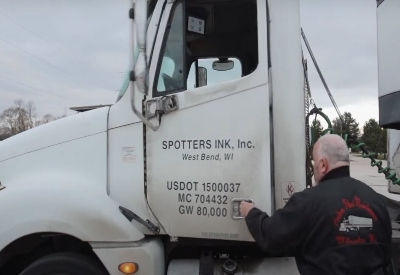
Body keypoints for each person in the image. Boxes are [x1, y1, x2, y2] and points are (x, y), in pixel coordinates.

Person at [240, 134, 392, 275]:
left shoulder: (307, 201)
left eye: (314, 164)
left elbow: (272, 237)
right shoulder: (376, 200)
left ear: (323, 165)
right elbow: (386, 255)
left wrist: (251, 212)